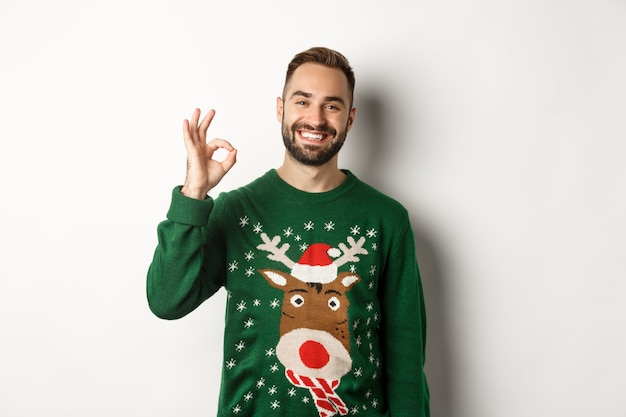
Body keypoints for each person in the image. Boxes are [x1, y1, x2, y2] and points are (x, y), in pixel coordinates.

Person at [147, 46, 429, 417]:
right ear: (281, 108)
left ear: (350, 118)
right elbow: (167, 301)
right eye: (303, 101)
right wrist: (194, 194)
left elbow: (406, 356)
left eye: (332, 105)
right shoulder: (236, 211)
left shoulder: (387, 219)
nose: (316, 118)